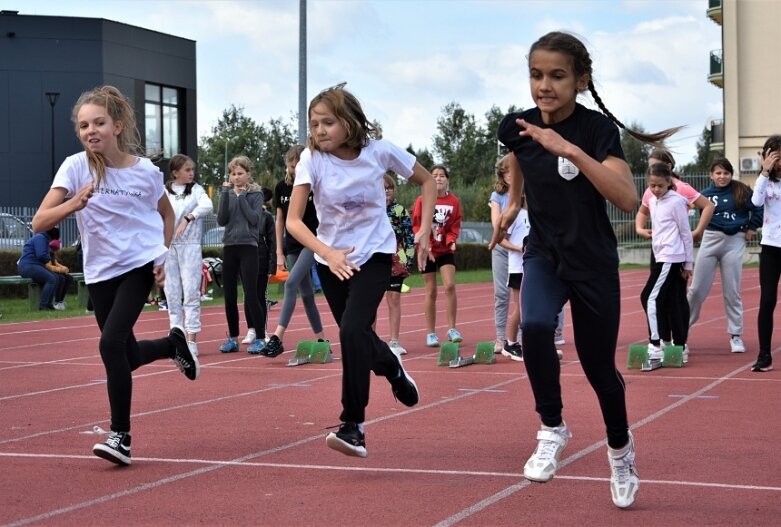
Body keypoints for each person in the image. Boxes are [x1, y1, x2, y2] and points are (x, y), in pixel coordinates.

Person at [493, 31, 680, 508]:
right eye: (536, 75)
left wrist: (569, 149)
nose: (544, 85)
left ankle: (620, 450)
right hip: (544, 254)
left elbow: (625, 197)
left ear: (581, 80)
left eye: (557, 75)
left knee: (600, 370)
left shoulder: (596, 131)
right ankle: (552, 427)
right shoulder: (515, 127)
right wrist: (514, 203)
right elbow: (518, 158)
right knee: (533, 327)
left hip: (593, 261)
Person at [31, 85, 199, 465]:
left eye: (99, 123)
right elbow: (39, 222)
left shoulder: (145, 172)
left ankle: (120, 436)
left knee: (109, 346)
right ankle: (172, 345)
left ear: (117, 126)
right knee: (128, 354)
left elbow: (167, 215)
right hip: (100, 272)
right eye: (83, 125)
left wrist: (163, 254)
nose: (90, 130)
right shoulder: (75, 168)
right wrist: (74, 203)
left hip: (138, 266)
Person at [286, 82, 435, 458]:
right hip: (332, 261)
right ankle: (393, 368)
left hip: (374, 256)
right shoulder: (311, 159)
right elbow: (294, 222)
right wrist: (328, 254)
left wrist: (425, 229)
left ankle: (353, 425)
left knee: (353, 330)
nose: (319, 131)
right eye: (314, 123)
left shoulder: (379, 152)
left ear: (349, 123)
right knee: (360, 338)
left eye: (328, 123)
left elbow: (427, 180)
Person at [687, 158, 762, 353]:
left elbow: (759, 207)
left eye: (726, 173)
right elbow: (691, 211)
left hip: (734, 241)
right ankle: (681, 334)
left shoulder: (742, 191)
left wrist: (752, 227)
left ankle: (736, 335)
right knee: (696, 290)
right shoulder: (704, 195)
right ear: (711, 175)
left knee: (732, 290)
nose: (722, 176)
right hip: (710, 240)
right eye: (718, 173)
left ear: (731, 174)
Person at [262, 145, 327, 358]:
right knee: (306, 294)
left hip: (312, 240)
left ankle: (277, 337)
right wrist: (279, 251)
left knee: (290, 284)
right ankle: (321, 339)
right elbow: (280, 220)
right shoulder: (281, 188)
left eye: (297, 167)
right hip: (292, 244)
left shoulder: (312, 184)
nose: (294, 171)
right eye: (291, 167)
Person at [639, 163, 694, 362]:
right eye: (652, 185)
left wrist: (688, 263)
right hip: (660, 256)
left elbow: (685, 233)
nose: (655, 189)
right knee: (667, 300)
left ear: (669, 182)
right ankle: (677, 346)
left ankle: (655, 344)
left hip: (672, 257)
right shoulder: (653, 202)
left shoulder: (677, 201)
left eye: (660, 186)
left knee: (649, 297)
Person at [163, 154, 213, 358]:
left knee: (191, 294)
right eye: (187, 170)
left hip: (190, 246)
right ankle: (176, 338)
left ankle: (191, 340)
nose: (191, 173)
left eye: (192, 169)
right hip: (168, 247)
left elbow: (207, 206)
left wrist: (188, 217)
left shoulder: (197, 190)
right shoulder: (163, 191)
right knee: (172, 294)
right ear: (175, 172)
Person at [216, 155, 267, 355]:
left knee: (251, 294)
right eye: (233, 174)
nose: (236, 177)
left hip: (248, 247)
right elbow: (221, 220)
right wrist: (224, 193)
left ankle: (261, 338)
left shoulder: (256, 195)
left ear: (248, 175)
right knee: (229, 295)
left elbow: (254, 219)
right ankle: (232, 338)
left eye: (240, 173)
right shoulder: (227, 193)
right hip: (230, 247)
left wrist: (242, 197)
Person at [412, 164, 463, 347]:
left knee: (450, 286)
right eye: (435, 175)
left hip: (445, 251)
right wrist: (425, 245)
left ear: (447, 179)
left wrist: (451, 239)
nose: (439, 178)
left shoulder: (454, 202)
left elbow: (454, 225)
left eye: (442, 175)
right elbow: (417, 225)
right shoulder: (422, 200)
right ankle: (431, 333)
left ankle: (452, 328)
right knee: (431, 290)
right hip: (427, 250)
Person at [750, 135, 781, 372]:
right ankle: (764, 355)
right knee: (767, 299)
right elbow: (756, 202)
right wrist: (764, 172)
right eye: (774, 156)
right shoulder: (765, 183)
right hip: (771, 247)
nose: (778, 161)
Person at [383, 172, 415, 356]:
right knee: (370, 301)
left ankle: (395, 341)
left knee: (394, 298)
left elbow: (409, 236)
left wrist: (406, 259)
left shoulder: (400, 210)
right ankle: (369, 339)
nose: (387, 191)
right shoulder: (372, 209)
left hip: (396, 259)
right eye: (383, 188)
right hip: (375, 260)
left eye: (389, 188)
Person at [497, 191, 529, 362]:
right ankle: (510, 344)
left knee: (534, 306)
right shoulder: (515, 215)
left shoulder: (539, 214)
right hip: (518, 267)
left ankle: (536, 343)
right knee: (520, 307)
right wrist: (519, 249)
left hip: (536, 267)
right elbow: (501, 239)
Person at [242, 187, 276, 346]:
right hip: (245, 260)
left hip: (261, 260)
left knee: (260, 295)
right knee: (248, 295)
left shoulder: (267, 217)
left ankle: (262, 329)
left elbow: (272, 242)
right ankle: (251, 329)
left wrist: (272, 266)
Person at [490, 156, 512, 353]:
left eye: (514, 170)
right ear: (502, 176)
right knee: (501, 294)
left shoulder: (529, 192)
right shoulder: (497, 196)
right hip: (503, 248)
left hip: (525, 250)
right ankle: (500, 337)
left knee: (525, 295)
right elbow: (496, 224)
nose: (511, 175)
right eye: (507, 171)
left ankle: (519, 337)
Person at [17, 227, 69, 310]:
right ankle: (43, 305)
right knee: (51, 279)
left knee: (55, 277)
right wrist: (49, 260)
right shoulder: (41, 238)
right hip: (28, 266)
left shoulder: (43, 238)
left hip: (34, 266)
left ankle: (48, 304)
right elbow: (41, 255)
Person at [47, 237, 75, 310]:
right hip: (47, 270)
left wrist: (64, 268)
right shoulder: (45, 252)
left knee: (69, 278)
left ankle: (60, 301)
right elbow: (49, 266)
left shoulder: (52, 253)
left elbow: (55, 263)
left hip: (54, 270)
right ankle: (57, 302)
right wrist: (61, 270)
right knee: (61, 278)